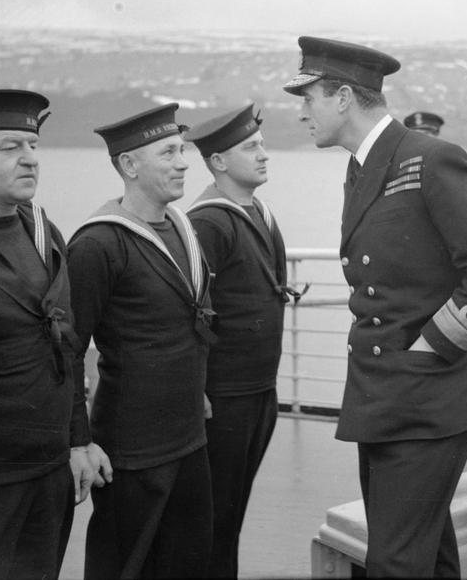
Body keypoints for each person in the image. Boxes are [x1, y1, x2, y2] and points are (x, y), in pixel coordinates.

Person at [283, 36, 467, 578]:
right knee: (425, 554)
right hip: (384, 394)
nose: (302, 114)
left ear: (343, 97)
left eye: (309, 99)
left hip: (426, 395)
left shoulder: (432, 158)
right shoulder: (363, 166)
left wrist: (431, 346)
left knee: (395, 561)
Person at [67, 103, 215, 579]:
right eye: (168, 152)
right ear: (130, 165)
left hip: (188, 436)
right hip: (130, 448)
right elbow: (68, 350)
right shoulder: (98, 244)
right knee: (124, 567)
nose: (183, 161)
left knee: (187, 562)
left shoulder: (183, 227)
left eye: (182, 149)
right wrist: (78, 441)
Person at [0, 90, 110, 580]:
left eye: (34, 145)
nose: (30, 159)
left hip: (47, 467)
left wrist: (77, 441)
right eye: (10, 147)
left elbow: (66, 342)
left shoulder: (43, 232)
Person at [185, 104, 294, 579]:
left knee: (232, 513)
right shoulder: (209, 222)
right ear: (219, 162)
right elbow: (188, 311)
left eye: (262, 144)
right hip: (224, 397)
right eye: (251, 147)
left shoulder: (260, 214)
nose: (264, 154)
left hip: (258, 391)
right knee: (212, 519)